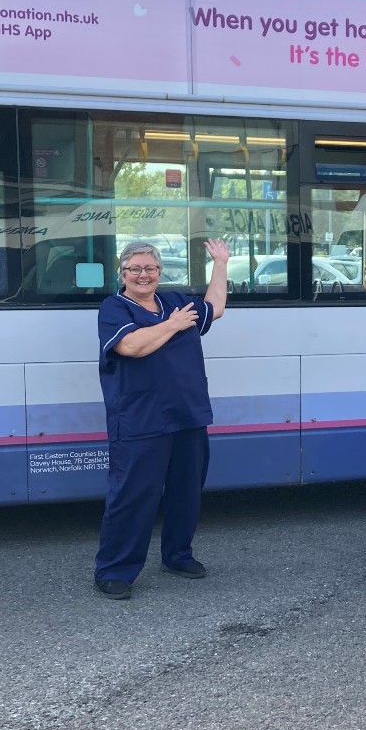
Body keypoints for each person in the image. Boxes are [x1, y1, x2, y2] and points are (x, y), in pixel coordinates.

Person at [93, 237, 229, 600]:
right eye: (135, 269)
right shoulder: (114, 308)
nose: (143, 275)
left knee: (186, 491)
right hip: (140, 418)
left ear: (159, 272)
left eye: (150, 268)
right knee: (134, 496)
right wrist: (173, 325)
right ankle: (114, 570)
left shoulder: (172, 301)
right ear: (122, 273)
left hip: (187, 413)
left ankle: (178, 555)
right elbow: (131, 346)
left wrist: (221, 263)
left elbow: (214, 308)